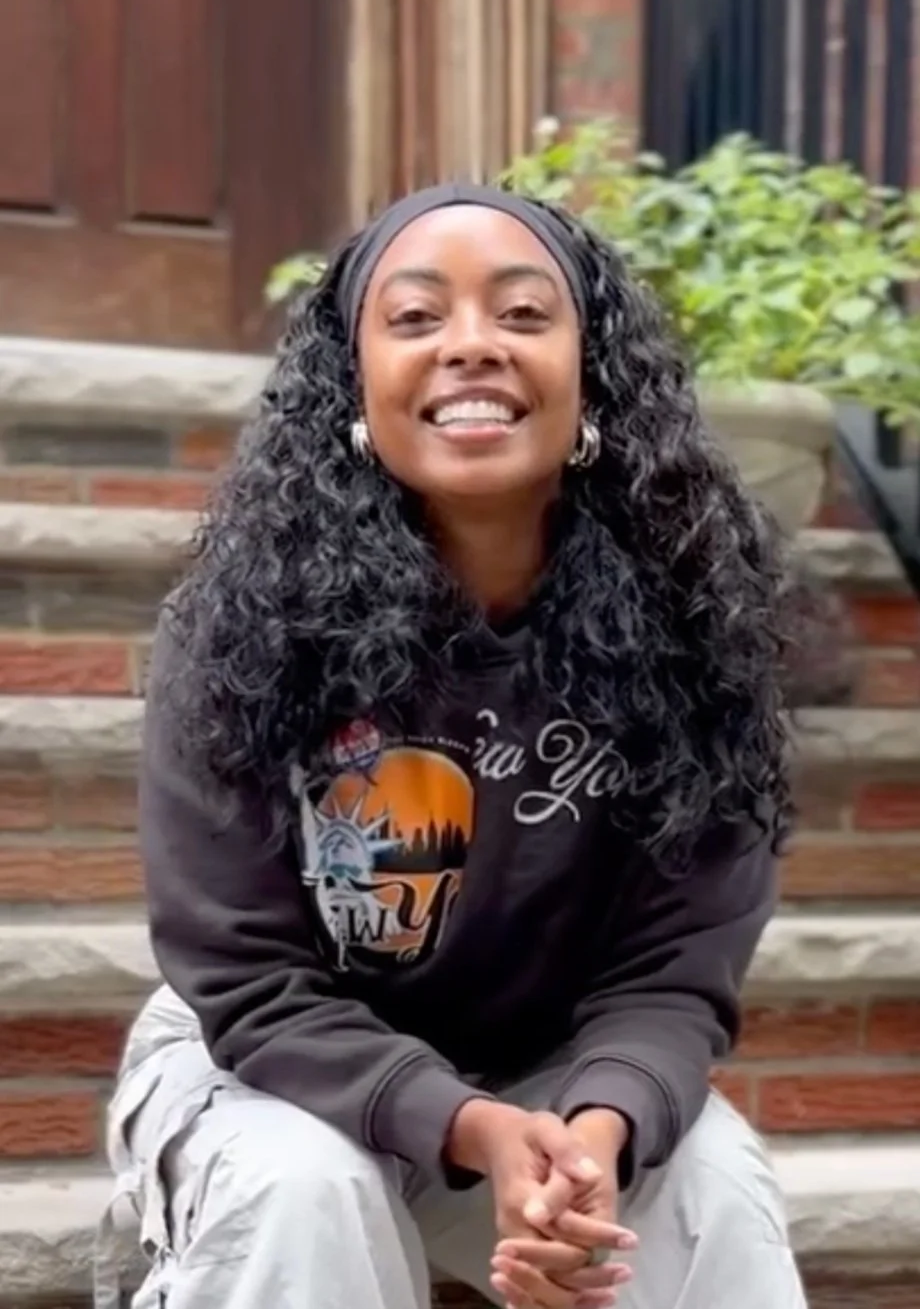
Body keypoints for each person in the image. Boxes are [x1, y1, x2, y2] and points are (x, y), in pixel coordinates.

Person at [101, 183, 807, 1309]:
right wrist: (469, 1127)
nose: (471, 347)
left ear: (592, 380)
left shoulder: (699, 627)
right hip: (272, 1072)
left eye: (523, 317)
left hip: (547, 1064)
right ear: (356, 382)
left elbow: (675, 971)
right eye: (416, 318)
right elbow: (244, 977)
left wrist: (592, 1133)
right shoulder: (245, 624)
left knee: (709, 1187)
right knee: (303, 1189)